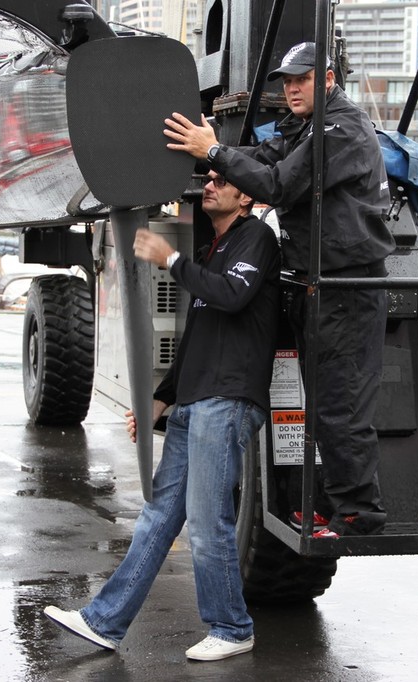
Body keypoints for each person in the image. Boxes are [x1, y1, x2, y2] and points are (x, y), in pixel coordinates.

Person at [44, 171, 280, 662]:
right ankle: (104, 621)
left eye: (220, 181)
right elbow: (196, 339)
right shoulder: (215, 249)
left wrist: (171, 259)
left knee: (208, 518)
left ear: (246, 196)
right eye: (208, 179)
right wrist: (159, 399)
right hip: (195, 401)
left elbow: (231, 297)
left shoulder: (257, 238)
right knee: (157, 517)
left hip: (228, 399)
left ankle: (233, 627)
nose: (208, 186)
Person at [163, 41, 394, 539]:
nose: (290, 88)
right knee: (323, 402)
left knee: (341, 403)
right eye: (286, 81)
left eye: (301, 79)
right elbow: (264, 156)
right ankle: (335, 504)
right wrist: (205, 152)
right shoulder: (307, 126)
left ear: (327, 79)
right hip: (320, 283)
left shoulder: (341, 128)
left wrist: (216, 152)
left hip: (346, 285)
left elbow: (280, 185)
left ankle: (358, 514)